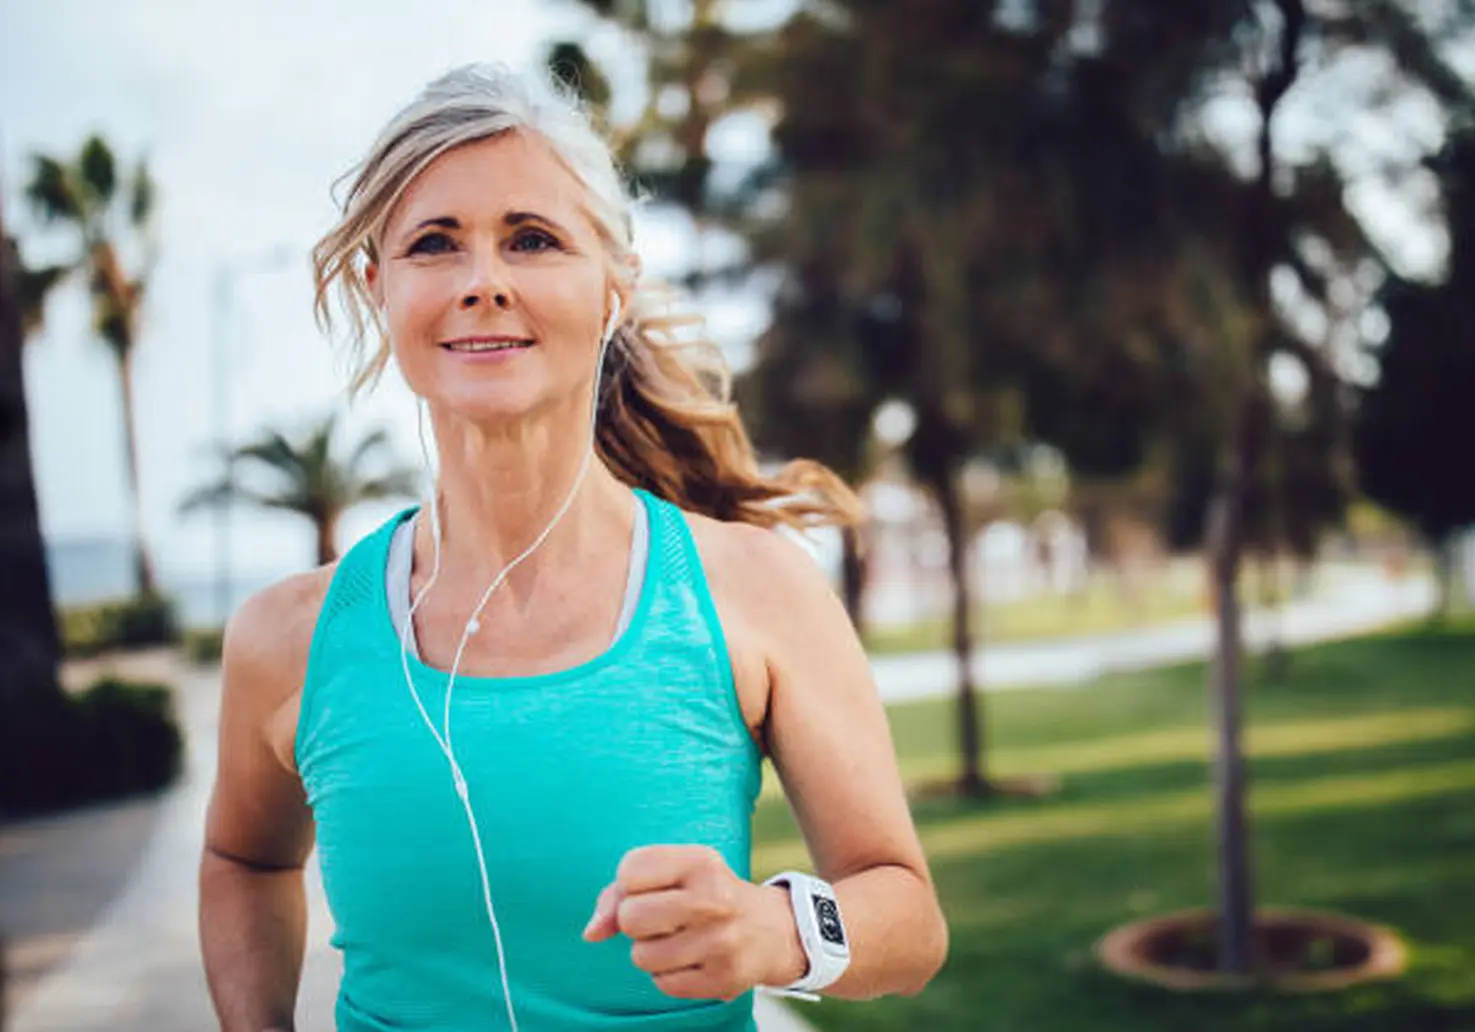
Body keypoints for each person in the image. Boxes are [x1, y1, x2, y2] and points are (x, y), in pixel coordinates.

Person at [199, 63, 947, 1032]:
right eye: (435, 244)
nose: (483, 282)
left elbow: (909, 920)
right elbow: (243, 859)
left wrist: (777, 929)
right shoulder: (286, 640)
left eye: (532, 239)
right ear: (381, 290)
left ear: (612, 289)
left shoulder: (754, 592)